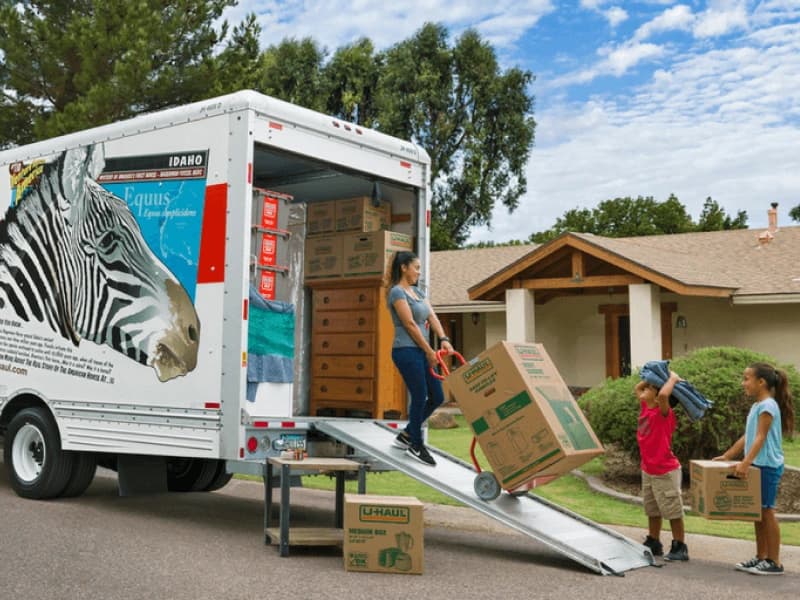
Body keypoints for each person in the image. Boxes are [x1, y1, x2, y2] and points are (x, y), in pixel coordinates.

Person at [714, 362, 795, 576]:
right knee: (757, 513)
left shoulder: (768, 406)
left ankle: (774, 561)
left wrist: (745, 463)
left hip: (767, 465)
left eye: (746, 378)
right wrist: (729, 455)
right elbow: (748, 437)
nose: (743, 383)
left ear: (761, 382)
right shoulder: (757, 406)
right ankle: (761, 557)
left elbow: (761, 437)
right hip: (758, 464)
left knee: (767, 511)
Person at [385, 250, 453, 466]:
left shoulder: (418, 292)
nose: (419, 273)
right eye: (416, 268)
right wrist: (429, 351)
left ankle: (407, 434)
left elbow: (431, 316)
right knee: (421, 394)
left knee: (437, 396)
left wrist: (443, 338)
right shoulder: (397, 293)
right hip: (406, 351)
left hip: (422, 351)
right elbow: (410, 325)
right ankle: (415, 443)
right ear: (404, 268)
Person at [636, 371, 689, 562]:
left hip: (665, 470)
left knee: (672, 510)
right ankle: (654, 541)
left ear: (658, 398)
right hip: (648, 469)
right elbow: (638, 388)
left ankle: (679, 545)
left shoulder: (662, 414)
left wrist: (672, 378)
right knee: (652, 509)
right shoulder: (645, 407)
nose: (645, 388)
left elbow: (664, 395)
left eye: (651, 387)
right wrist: (653, 375)